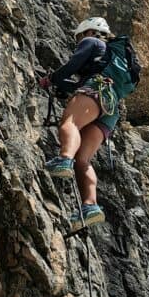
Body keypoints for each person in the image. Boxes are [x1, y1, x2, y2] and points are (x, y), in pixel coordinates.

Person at [40, 16, 121, 232]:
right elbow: (78, 83)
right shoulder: (111, 56)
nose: (79, 42)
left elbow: (73, 65)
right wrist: (63, 86)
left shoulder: (91, 41)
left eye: (79, 38)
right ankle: (90, 205)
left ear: (87, 31)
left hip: (96, 91)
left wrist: (51, 79)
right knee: (83, 159)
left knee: (70, 123)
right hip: (110, 108)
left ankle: (64, 160)